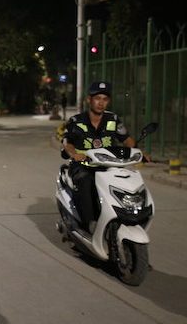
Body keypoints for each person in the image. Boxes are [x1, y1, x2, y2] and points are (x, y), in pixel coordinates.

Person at [62, 80, 149, 234]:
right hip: (84, 165)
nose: (100, 103)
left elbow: (127, 140)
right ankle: (89, 222)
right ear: (89, 100)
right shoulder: (76, 121)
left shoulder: (113, 120)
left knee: (127, 179)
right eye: (97, 98)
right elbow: (67, 143)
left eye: (104, 99)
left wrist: (140, 152)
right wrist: (75, 154)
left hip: (109, 165)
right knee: (85, 180)